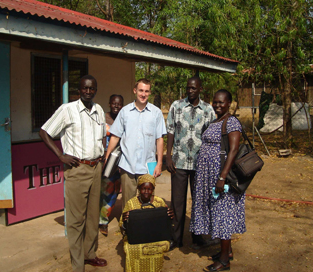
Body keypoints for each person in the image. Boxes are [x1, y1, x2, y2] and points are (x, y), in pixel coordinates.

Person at [39, 75, 107, 272]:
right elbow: (44, 132)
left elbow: (102, 136)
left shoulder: (99, 110)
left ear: (95, 89)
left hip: (96, 168)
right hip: (77, 170)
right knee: (76, 220)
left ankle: (89, 254)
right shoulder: (67, 110)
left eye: (92, 88)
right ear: (79, 90)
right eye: (85, 88)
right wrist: (60, 155)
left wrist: (100, 155)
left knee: (93, 216)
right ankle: (78, 265)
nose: (88, 91)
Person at [189, 89, 246, 271]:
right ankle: (226, 252)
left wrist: (222, 177)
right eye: (215, 102)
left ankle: (223, 261)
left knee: (223, 215)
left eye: (221, 102)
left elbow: (234, 150)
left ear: (229, 103)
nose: (217, 105)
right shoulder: (216, 121)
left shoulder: (232, 122)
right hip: (209, 176)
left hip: (222, 177)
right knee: (217, 213)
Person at [166, 76, 215, 249]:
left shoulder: (208, 110)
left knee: (198, 202)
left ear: (200, 89)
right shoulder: (176, 106)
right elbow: (170, 130)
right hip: (178, 162)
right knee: (177, 202)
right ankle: (176, 238)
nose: (190, 91)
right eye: (188, 88)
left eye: (194, 88)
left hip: (199, 164)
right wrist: (168, 154)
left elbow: (211, 137)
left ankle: (197, 236)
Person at [105, 78, 167, 209]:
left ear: (149, 93)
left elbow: (159, 139)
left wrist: (160, 163)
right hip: (127, 165)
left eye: (146, 91)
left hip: (148, 167)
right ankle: (127, 228)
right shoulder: (125, 112)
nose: (143, 94)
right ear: (135, 91)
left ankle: (145, 229)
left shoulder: (156, 113)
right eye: (140, 90)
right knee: (128, 204)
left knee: (148, 203)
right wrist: (107, 157)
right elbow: (115, 136)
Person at [120, 174, 174, 272]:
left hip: (155, 236)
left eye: (149, 189)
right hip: (136, 238)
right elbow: (122, 226)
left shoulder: (159, 202)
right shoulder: (131, 203)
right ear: (138, 189)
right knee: (132, 248)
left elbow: (167, 225)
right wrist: (124, 220)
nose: (146, 192)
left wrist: (170, 217)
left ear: (153, 189)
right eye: (143, 188)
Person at [99, 94, 124, 236]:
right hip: (105, 159)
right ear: (109, 103)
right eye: (114, 103)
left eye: (119, 104)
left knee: (114, 191)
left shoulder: (123, 119)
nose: (116, 106)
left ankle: (104, 217)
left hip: (119, 161)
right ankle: (102, 221)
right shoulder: (102, 118)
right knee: (103, 190)